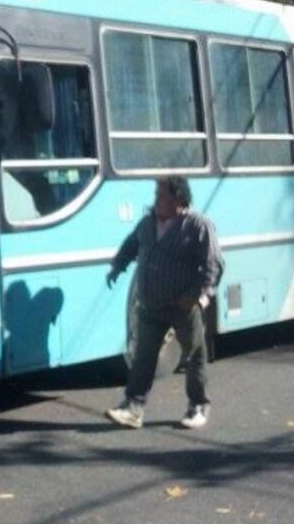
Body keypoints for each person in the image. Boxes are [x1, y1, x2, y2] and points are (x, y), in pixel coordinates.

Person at [105, 176, 223, 430]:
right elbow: (131, 245)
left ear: (179, 199)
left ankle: (198, 405)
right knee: (143, 357)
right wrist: (117, 266)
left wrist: (200, 298)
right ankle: (133, 407)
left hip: (183, 306)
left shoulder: (198, 225)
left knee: (193, 355)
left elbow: (213, 266)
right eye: (156, 194)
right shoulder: (148, 223)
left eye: (161, 195)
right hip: (150, 305)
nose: (156, 200)